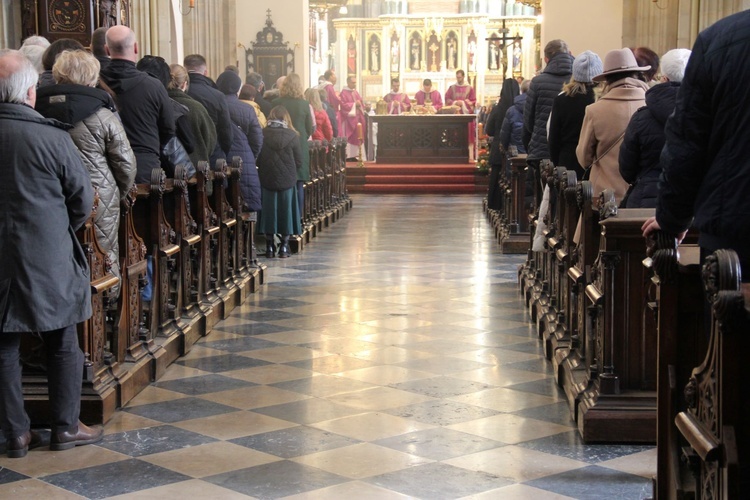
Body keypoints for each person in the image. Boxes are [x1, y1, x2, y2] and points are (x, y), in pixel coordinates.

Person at [0, 49, 102, 458]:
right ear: (30, 93)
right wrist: (58, 231)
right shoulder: (52, 136)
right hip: (48, 253)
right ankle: (64, 427)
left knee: (3, 345)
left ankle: (15, 434)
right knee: (63, 340)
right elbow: (82, 199)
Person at [642, 12, 750, 273]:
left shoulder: (721, 39)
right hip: (733, 221)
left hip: (736, 228)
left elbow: (687, 146)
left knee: (727, 306)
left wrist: (672, 219)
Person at [35, 49, 136, 299]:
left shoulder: (35, 110)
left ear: (58, 76)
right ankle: (105, 309)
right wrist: (115, 193)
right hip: (98, 197)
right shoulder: (104, 116)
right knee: (101, 254)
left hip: (47, 196)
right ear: (92, 78)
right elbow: (125, 164)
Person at [100, 26, 175, 183]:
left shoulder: (95, 83)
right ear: (136, 47)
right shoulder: (153, 85)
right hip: (145, 168)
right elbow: (168, 128)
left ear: (107, 50)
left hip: (107, 169)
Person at [576, 48, 650, 204]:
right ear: (636, 74)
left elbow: (584, 157)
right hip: (643, 195)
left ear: (607, 79)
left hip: (605, 195)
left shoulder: (595, 110)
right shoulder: (651, 104)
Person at [619, 48, 690, 208]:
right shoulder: (707, 118)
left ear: (663, 78)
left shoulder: (641, 118)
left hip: (646, 200)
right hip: (692, 203)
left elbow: (627, 168)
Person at [522, 39, 573, 200]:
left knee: (544, 200)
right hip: (571, 152)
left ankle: (544, 223)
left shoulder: (537, 82)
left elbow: (528, 121)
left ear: (546, 59)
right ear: (569, 54)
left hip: (542, 151)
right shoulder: (578, 81)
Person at [257, 105, 302, 258]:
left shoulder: (262, 134)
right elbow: (299, 160)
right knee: (286, 211)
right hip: (287, 180)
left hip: (267, 177)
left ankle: (269, 247)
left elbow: (258, 156)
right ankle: (284, 247)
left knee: (269, 211)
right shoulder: (293, 135)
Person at [548, 50, 602, 178]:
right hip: (595, 164)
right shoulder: (602, 100)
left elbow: (554, 139)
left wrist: (557, 164)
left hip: (568, 164)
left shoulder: (562, 100)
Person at [216, 70, 263, 212]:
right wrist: (250, 156)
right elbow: (257, 139)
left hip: (219, 159)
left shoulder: (213, 105)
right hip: (243, 160)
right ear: (238, 88)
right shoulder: (247, 109)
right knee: (245, 207)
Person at [274, 73, 314, 215]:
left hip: (279, 146)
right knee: (298, 184)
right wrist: (301, 137)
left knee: (281, 182)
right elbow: (309, 128)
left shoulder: (276, 102)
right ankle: (297, 218)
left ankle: (283, 217)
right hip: (299, 145)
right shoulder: (304, 104)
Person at [183, 53, 232, 165]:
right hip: (212, 152)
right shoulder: (217, 95)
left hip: (184, 154)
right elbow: (225, 128)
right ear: (205, 72)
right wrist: (222, 151)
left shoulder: (179, 92)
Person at [168, 63, 217, 166]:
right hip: (195, 169)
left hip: (163, 172)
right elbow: (210, 141)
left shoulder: (156, 105)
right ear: (184, 84)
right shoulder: (197, 108)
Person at [484, 78, 520, 210]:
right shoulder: (520, 108)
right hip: (517, 149)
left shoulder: (497, 108)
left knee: (497, 176)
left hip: (498, 148)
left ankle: (495, 204)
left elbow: (489, 130)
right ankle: (514, 208)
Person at [499, 78, 531, 156]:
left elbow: (504, 135)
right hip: (534, 154)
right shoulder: (539, 107)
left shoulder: (511, 111)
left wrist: (506, 148)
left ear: (522, 90)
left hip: (515, 154)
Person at [339, 74, 367, 160]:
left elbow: (361, 103)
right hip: (350, 121)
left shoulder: (355, 92)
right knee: (351, 138)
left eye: (355, 83)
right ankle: (350, 156)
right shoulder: (343, 93)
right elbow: (343, 105)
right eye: (352, 82)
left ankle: (359, 156)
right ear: (348, 82)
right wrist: (355, 104)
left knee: (359, 136)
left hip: (358, 119)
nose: (354, 84)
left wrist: (361, 105)